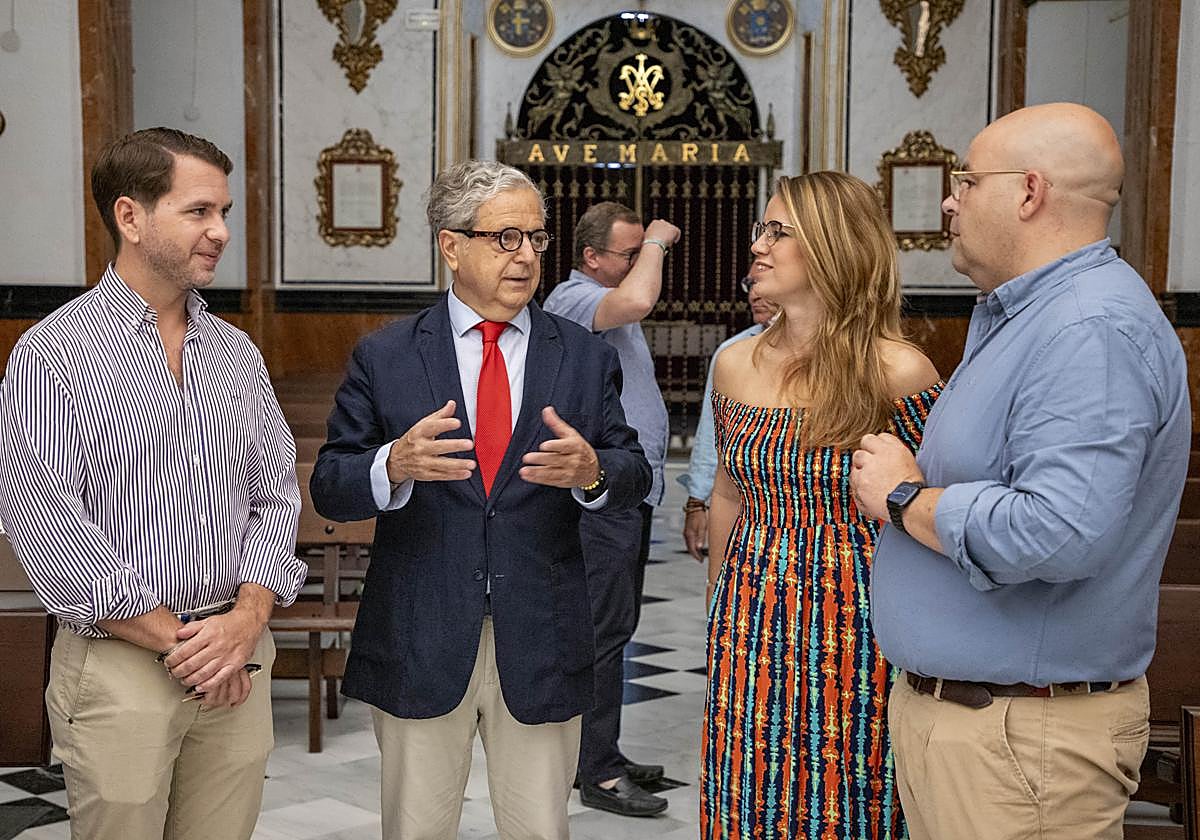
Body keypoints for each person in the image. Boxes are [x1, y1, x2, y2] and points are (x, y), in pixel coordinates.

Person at [850, 103, 1191, 840]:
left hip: (1022, 735)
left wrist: (904, 497)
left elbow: (1058, 532)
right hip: (990, 727)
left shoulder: (1088, 330)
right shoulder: (1031, 316)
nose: (950, 199)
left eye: (967, 181)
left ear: (1029, 193)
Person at [309, 160, 651, 840]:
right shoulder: (388, 356)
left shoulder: (582, 356)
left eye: (535, 238)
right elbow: (330, 483)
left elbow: (632, 471)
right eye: (505, 237)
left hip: (542, 635)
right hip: (421, 634)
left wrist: (591, 472)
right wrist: (394, 463)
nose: (525, 255)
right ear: (451, 245)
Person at [0, 128, 306, 840]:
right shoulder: (54, 353)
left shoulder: (235, 352)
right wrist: (190, 645)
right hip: (122, 666)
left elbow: (275, 496)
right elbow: (47, 524)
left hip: (237, 649)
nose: (221, 231)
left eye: (223, 212)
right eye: (198, 211)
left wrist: (245, 623)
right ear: (131, 217)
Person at [702, 171, 941, 839]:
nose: (759, 246)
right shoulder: (735, 364)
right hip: (750, 615)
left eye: (779, 232)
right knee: (748, 797)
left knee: (852, 802)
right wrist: (721, 603)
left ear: (834, 247)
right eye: (761, 229)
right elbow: (728, 491)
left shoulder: (898, 370)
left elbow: (927, 504)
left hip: (859, 617)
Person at [541, 201, 681, 817]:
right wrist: (656, 242)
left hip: (623, 491)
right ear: (592, 258)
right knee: (602, 632)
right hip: (599, 498)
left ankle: (601, 751)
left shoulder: (596, 298)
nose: (637, 263)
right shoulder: (573, 299)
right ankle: (593, 769)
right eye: (625, 253)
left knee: (614, 630)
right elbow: (638, 301)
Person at [678, 272, 777, 561]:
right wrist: (696, 503)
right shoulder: (733, 353)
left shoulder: (837, 351)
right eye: (750, 285)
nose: (753, 295)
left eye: (762, 283)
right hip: (744, 510)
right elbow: (712, 432)